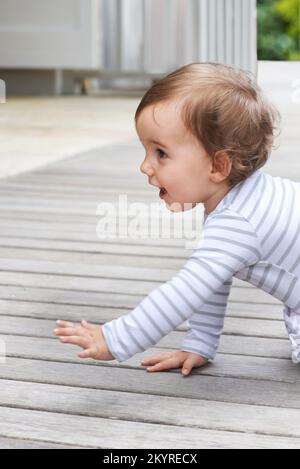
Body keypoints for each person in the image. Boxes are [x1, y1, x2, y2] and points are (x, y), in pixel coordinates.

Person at [53, 62, 300, 376]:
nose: (146, 166)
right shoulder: (246, 200)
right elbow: (214, 280)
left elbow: (185, 291)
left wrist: (116, 338)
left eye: (161, 153)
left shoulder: (238, 222)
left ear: (218, 166)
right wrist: (200, 343)